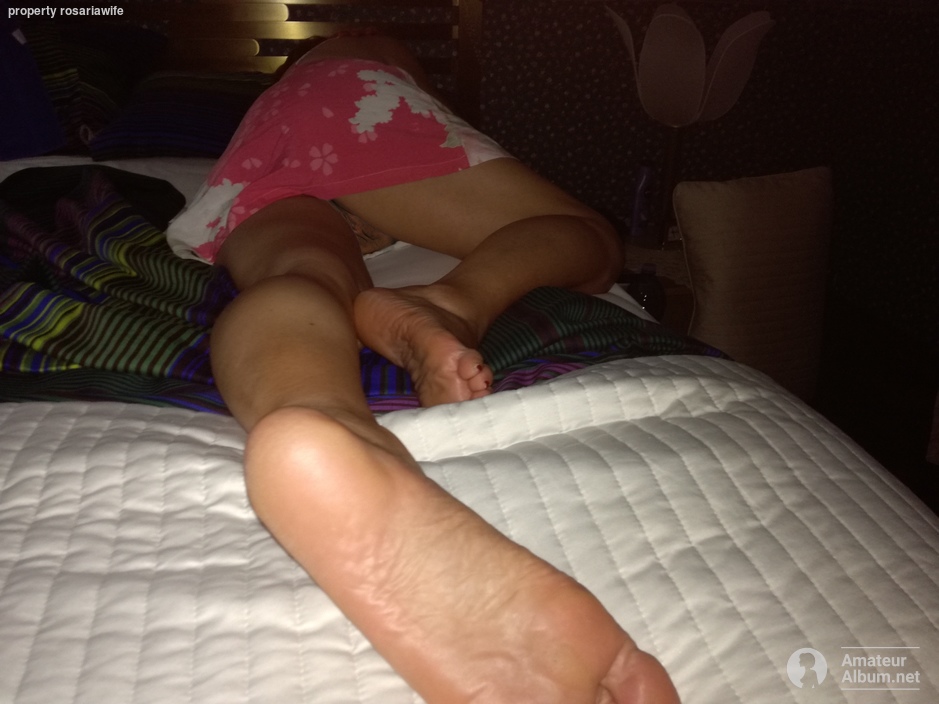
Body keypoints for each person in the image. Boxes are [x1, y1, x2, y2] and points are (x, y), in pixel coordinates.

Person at [167, 32, 681, 704]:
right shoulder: (365, 53)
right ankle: (452, 301)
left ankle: (328, 416)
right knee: (591, 239)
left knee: (305, 274)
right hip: (345, 104)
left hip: (259, 156)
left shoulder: (264, 108)